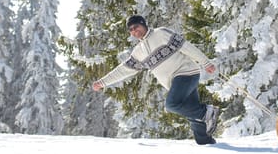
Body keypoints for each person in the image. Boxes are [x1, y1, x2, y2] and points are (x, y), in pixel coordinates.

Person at [92, 15, 219, 145]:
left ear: (144, 24)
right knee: (193, 112)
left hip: (186, 72)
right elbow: (123, 70)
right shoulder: (138, 52)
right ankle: (205, 140)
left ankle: (207, 112)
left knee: (172, 104)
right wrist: (102, 82)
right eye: (131, 29)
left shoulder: (161, 33)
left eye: (136, 26)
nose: (134, 31)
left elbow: (185, 47)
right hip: (175, 82)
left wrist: (205, 62)